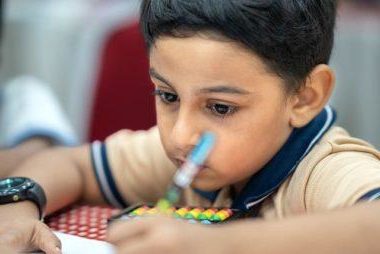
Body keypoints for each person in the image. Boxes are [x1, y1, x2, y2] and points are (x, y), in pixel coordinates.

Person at [1, 0, 380, 253]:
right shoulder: (188, 160)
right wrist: (17, 206)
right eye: (167, 96)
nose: (181, 135)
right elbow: (71, 164)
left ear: (305, 97)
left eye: (220, 107)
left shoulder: (325, 169)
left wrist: (217, 245)